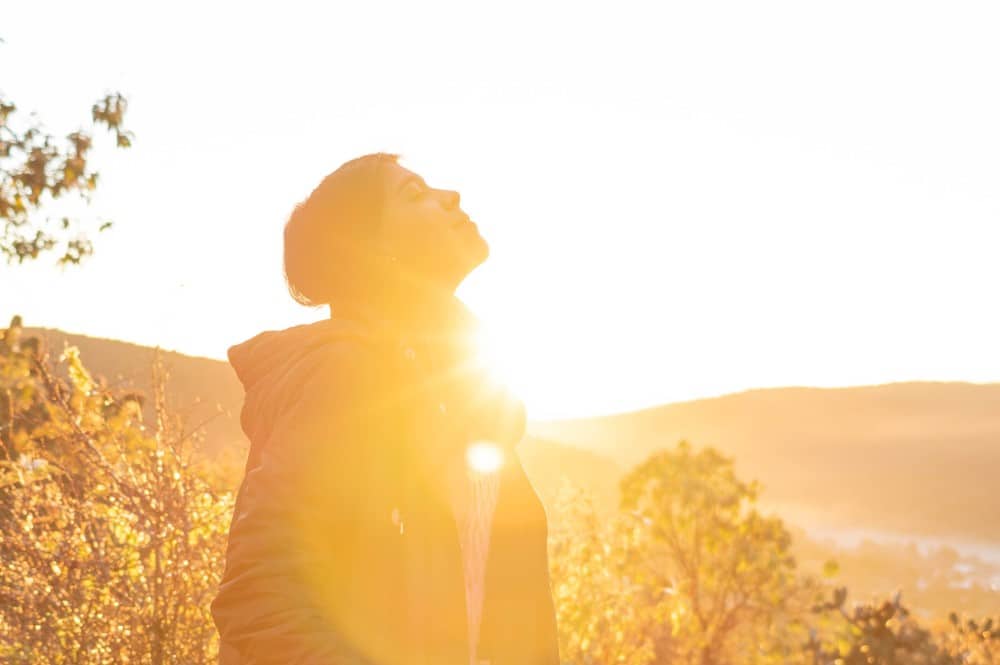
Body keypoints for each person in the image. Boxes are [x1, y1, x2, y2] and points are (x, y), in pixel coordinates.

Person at [211, 153, 560, 665]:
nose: (451, 196)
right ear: (371, 252)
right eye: (413, 194)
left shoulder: (463, 404)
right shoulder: (348, 375)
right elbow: (260, 592)